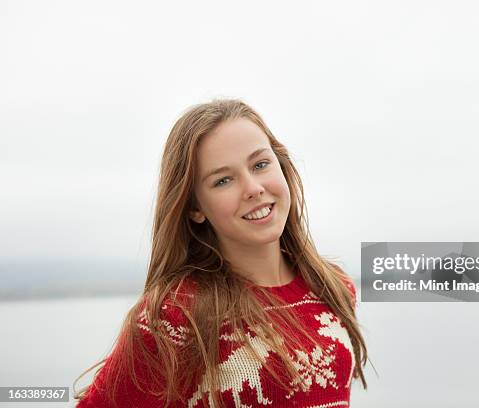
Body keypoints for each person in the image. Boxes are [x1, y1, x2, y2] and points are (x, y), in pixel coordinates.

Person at [73, 99, 368, 407]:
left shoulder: (333, 286)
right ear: (195, 208)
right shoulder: (176, 316)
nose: (253, 188)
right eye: (223, 180)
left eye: (260, 164)